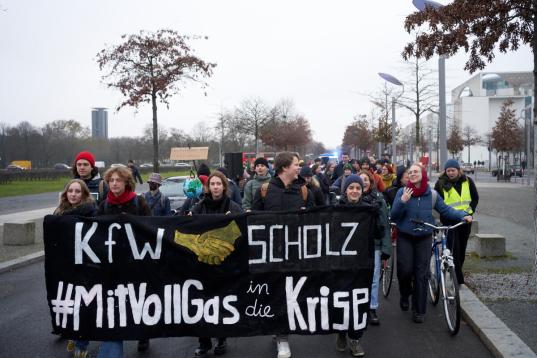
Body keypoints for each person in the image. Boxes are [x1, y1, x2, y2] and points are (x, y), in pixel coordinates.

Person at [390, 164, 472, 323]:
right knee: (405, 270)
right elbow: (394, 215)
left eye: (416, 171)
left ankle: (419, 310)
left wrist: (463, 215)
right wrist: (402, 201)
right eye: (411, 172)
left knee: (421, 274)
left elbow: (446, 210)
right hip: (405, 236)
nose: (413, 174)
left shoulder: (432, 194)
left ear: (423, 174)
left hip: (424, 237)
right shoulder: (403, 192)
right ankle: (405, 293)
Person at [252, 152, 313, 358]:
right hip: (271, 254)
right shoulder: (265, 190)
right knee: (277, 294)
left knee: (292, 295)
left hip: (296, 253)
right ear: (285, 167)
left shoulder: (305, 190)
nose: (300, 167)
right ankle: (281, 335)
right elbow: (253, 220)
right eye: (296, 164)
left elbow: (320, 217)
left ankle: (282, 333)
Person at [97, 166, 151, 357]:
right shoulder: (103, 205)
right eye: (111, 180)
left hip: (136, 261)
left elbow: (151, 229)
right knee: (115, 300)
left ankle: (143, 332)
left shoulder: (139, 202)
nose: (114, 184)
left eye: (118, 180)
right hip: (113, 262)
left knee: (139, 298)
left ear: (126, 182)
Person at [189, 171, 243, 357]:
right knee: (201, 303)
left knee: (220, 302)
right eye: (212, 184)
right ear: (208, 187)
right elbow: (186, 225)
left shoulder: (234, 206)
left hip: (224, 263)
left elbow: (240, 232)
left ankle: (221, 338)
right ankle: (204, 342)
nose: (215, 187)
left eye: (219, 184)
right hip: (202, 263)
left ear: (224, 186)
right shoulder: (198, 207)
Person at [335, 174, 385, 357]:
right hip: (340, 264)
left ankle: (355, 339)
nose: (354, 191)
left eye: (358, 188)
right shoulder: (334, 210)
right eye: (351, 188)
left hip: (362, 263)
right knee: (340, 301)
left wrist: (378, 216)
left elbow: (379, 233)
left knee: (358, 302)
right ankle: (340, 333)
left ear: (362, 190)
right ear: (345, 190)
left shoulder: (368, 209)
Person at [55, 179, 96, 358]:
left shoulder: (91, 212)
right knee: (69, 303)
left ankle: (82, 343)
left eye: (77, 191)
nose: (73, 194)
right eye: (70, 191)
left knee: (83, 306)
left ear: (84, 194)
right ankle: (73, 333)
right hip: (65, 266)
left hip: (85, 267)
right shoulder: (58, 212)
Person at [434, 159, 479, 285]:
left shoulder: (468, 181)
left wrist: (469, 212)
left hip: (465, 221)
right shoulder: (440, 184)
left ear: (458, 170)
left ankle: (455, 271)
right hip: (449, 222)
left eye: (453, 170)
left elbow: (475, 198)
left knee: (462, 249)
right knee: (454, 249)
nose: (450, 173)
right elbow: (437, 203)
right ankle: (458, 280)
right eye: (448, 170)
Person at [359, 170, 391, 326]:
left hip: (375, 245)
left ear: (370, 182)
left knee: (373, 279)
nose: (363, 182)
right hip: (356, 247)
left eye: (366, 179)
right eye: (361, 180)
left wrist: (386, 249)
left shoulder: (379, 200)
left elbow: (385, 224)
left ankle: (372, 308)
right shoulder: (350, 199)